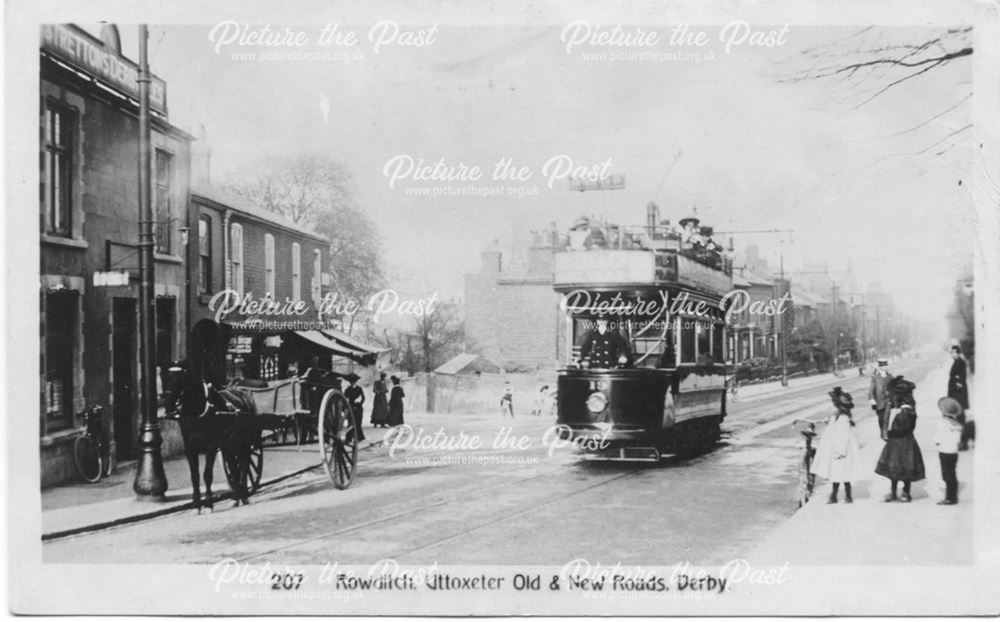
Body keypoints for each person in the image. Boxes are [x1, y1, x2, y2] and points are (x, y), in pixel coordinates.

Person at [875, 376, 926, 502]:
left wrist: (889, 434)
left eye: (894, 396)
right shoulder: (903, 409)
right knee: (896, 469)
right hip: (900, 442)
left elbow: (901, 428)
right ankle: (895, 492)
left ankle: (905, 493)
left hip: (903, 442)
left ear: (900, 396)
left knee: (904, 468)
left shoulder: (906, 411)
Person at [811, 387, 860, 504]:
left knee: (840, 474)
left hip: (841, 450)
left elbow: (844, 437)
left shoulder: (843, 419)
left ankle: (842, 496)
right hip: (839, 449)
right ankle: (840, 496)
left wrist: (840, 451)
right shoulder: (840, 417)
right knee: (840, 474)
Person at [934, 397, 964, 505]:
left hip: (944, 451)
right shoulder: (958, 425)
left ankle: (949, 498)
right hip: (954, 452)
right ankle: (953, 496)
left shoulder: (942, 423)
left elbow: (937, 439)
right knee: (952, 474)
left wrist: (938, 442)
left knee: (946, 475)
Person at [947, 345, 973, 451]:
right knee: (958, 418)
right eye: (951, 352)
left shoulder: (960, 362)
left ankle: (963, 443)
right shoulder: (957, 362)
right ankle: (961, 442)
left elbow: (960, 380)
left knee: (960, 418)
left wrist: (956, 387)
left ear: (958, 352)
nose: (952, 354)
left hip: (959, 396)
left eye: (953, 352)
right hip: (957, 395)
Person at [868, 358, 892, 440]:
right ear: (880, 367)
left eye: (886, 365)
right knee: (881, 418)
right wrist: (871, 399)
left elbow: (893, 387)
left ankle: (885, 433)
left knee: (886, 417)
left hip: (888, 401)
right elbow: (871, 390)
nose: (886, 367)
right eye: (884, 365)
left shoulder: (890, 376)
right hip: (879, 402)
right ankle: (882, 432)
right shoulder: (875, 377)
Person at [343, 373, 366, 442]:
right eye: (351, 381)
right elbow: (345, 398)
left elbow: (363, 397)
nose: (352, 383)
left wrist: (360, 403)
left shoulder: (359, 389)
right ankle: (349, 438)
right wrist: (347, 405)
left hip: (358, 408)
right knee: (350, 423)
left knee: (358, 423)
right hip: (351, 407)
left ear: (356, 381)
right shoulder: (347, 389)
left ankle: (359, 437)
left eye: (353, 381)